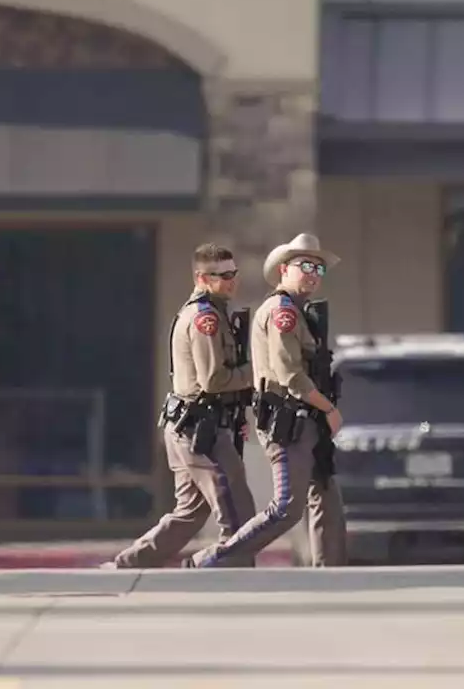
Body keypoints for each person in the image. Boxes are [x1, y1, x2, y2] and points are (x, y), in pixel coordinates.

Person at [185, 233, 347, 568]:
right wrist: (328, 409)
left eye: (319, 268)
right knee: (286, 508)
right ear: (284, 269)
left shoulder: (301, 311)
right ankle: (211, 559)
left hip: (306, 418)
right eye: (305, 265)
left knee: (327, 499)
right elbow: (290, 374)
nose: (314, 273)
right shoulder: (282, 312)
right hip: (288, 421)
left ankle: (330, 573)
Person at [104, 243, 257, 569]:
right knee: (239, 515)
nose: (232, 280)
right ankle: (209, 567)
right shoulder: (206, 319)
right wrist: (258, 370)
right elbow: (213, 380)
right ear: (202, 278)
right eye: (223, 275)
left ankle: (127, 565)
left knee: (189, 514)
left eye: (234, 273)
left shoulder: (212, 313)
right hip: (201, 430)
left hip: (191, 427)